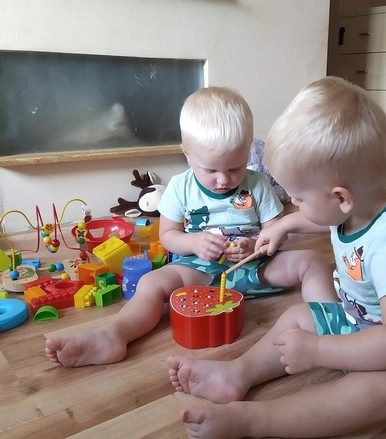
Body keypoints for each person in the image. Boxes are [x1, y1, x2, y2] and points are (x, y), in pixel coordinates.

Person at [167, 77, 386, 439]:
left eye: (297, 198)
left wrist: (318, 352)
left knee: (379, 391)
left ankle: (254, 419)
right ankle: (238, 373)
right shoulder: (361, 204)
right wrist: (284, 224)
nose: (294, 204)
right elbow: (323, 216)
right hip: (363, 323)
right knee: (300, 316)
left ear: (340, 197)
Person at [45, 86, 336, 368]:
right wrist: (195, 244)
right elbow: (168, 236)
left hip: (255, 268)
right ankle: (113, 335)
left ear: (248, 150)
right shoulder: (180, 186)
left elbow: (275, 230)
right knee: (152, 283)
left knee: (312, 261)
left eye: (235, 167)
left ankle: (333, 328)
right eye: (211, 170)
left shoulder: (257, 183)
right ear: (186, 153)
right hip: (199, 271)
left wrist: (257, 243)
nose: (224, 180)